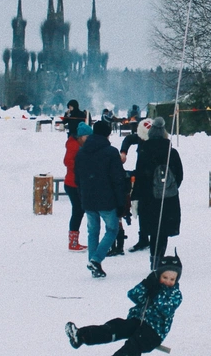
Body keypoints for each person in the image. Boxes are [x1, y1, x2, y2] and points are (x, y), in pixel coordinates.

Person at [65, 253, 183, 356]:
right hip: (137, 321)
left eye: (172, 279)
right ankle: (81, 336)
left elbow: (165, 308)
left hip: (154, 332)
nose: (168, 282)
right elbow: (133, 295)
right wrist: (146, 284)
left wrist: (158, 293)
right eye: (165, 277)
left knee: (134, 344)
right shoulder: (152, 284)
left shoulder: (175, 294)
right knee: (116, 326)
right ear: (158, 275)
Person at [75, 120, 128, 278]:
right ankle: (96, 260)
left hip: (88, 198)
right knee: (112, 229)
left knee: (93, 231)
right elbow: (117, 179)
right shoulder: (111, 152)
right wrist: (121, 201)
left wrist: (82, 196)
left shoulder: (82, 152)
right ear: (107, 133)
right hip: (107, 198)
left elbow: (78, 178)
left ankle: (93, 261)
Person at [130, 117, 183, 267]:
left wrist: (139, 195)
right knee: (164, 230)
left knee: (154, 230)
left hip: (149, 198)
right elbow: (179, 175)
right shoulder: (171, 152)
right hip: (168, 198)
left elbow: (139, 175)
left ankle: (154, 258)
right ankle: (159, 257)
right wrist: (169, 188)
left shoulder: (144, 151)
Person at [120, 118, 153, 252]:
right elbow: (128, 140)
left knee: (151, 210)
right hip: (140, 179)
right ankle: (144, 238)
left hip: (152, 181)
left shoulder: (156, 143)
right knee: (141, 208)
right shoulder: (141, 137)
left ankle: (153, 238)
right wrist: (123, 152)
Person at [63, 122, 92, 252]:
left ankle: (74, 241)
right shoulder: (74, 146)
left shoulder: (78, 145)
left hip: (75, 182)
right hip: (72, 183)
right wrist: (81, 168)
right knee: (78, 211)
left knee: (79, 211)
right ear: (81, 136)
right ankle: (73, 242)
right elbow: (67, 161)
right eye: (88, 136)